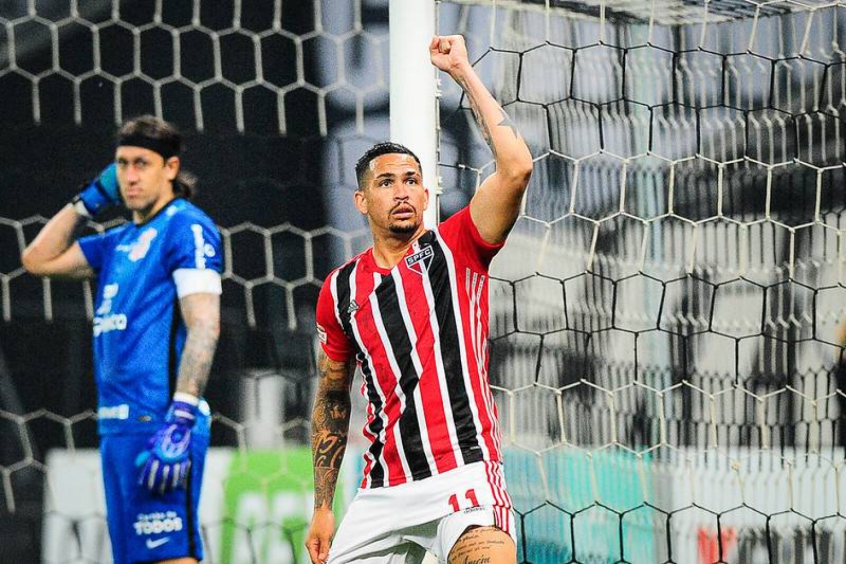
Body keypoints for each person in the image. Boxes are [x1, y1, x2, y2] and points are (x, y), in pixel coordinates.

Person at [305, 35, 533, 564]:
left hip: (464, 474)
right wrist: (321, 505)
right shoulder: (340, 290)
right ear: (362, 201)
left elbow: (517, 167)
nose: (403, 190)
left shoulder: (457, 246)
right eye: (387, 183)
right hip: (384, 488)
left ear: (427, 195)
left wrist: (462, 72)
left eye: (412, 181)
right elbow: (333, 398)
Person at [21, 116, 221, 564]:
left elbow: (205, 324)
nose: (130, 175)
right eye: (122, 165)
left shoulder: (185, 227)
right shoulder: (118, 241)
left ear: (170, 168)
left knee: (171, 558)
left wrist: (181, 418)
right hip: (117, 428)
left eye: (142, 164)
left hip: (161, 426)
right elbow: (36, 259)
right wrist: (88, 201)